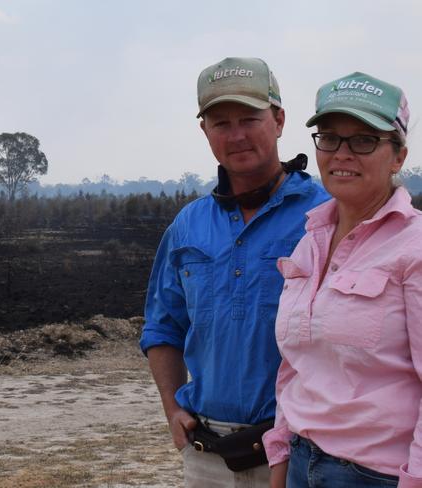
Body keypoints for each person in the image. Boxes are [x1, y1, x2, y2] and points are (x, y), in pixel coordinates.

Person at [140, 57, 328, 487]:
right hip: (206, 455)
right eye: (221, 122)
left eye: (250, 118)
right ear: (204, 131)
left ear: (279, 121)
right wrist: (173, 410)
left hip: (299, 451)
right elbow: (163, 327)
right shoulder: (188, 225)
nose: (237, 134)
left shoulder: (325, 215)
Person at [263, 72, 422, 487]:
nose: (341, 153)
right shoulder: (309, 243)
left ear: (398, 156)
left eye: (363, 140)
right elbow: (296, 364)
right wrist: (281, 454)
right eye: (330, 137)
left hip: (376, 476)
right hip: (302, 463)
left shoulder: (415, 247)